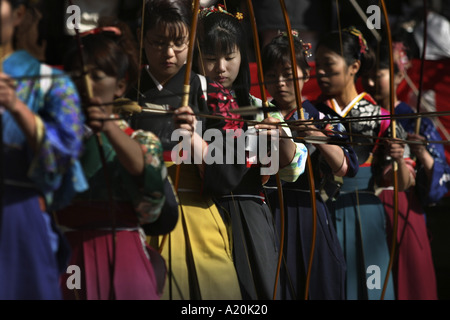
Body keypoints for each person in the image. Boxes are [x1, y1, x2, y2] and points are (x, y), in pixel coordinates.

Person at [128, 0, 242, 300]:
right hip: (142, 219)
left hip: (198, 215)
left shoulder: (211, 92)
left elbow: (233, 165)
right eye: (158, 43)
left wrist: (195, 141)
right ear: (142, 40)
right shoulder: (127, 91)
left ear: (192, 41)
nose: (168, 53)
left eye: (179, 43)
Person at [194, 5, 308, 300]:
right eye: (209, 58)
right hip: (199, 209)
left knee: (258, 292)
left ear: (242, 57)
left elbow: (293, 168)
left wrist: (280, 136)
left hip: (248, 210)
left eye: (229, 57)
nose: (220, 67)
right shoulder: (190, 104)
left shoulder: (260, 107)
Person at [57, 18, 168, 300]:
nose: (85, 85)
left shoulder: (141, 141)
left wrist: (106, 124)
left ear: (120, 86)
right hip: (68, 256)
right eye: (76, 76)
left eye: (96, 76)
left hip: (123, 254)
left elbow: (143, 171)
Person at [313, 27, 415, 300]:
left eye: (329, 66)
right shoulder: (309, 115)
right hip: (321, 213)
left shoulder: (382, 119)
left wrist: (398, 160)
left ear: (354, 66)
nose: (320, 73)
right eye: (317, 66)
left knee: (372, 287)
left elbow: (404, 183)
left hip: (366, 215)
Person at [260, 31, 360, 300]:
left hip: (309, 212)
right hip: (267, 211)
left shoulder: (322, 116)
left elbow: (348, 167)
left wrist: (317, 135)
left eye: (288, 73)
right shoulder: (260, 113)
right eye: (271, 75)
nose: (280, 83)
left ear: (305, 74)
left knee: (316, 285)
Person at [0, 0, 86, 300]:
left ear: (18, 13)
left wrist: (18, 109)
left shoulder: (52, 84)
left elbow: (64, 160)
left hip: (18, 219)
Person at [361, 40, 448, 300]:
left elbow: (438, 177)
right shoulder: (360, 114)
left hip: (402, 208)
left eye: (378, 76)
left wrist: (421, 152)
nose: (371, 84)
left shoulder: (414, 119)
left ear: (399, 75)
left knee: (410, 285)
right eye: (366, 77)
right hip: (363, 208)